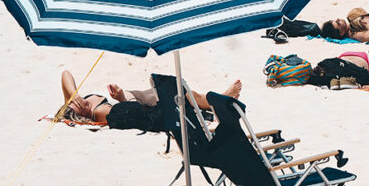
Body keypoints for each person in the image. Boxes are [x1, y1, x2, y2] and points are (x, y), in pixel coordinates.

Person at [55, 70, 241, 125]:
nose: (77, 102)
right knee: (189, 96)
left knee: (189, 95)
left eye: (72, 102)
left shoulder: (75, 101)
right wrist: (120, 97)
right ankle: (223, 98)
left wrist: (74, 94)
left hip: (143, 94)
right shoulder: (99, 112)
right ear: (80, 116)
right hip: (148, 102)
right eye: (77, 106)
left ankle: (218, 99)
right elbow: (130, 112)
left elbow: (65, 74)